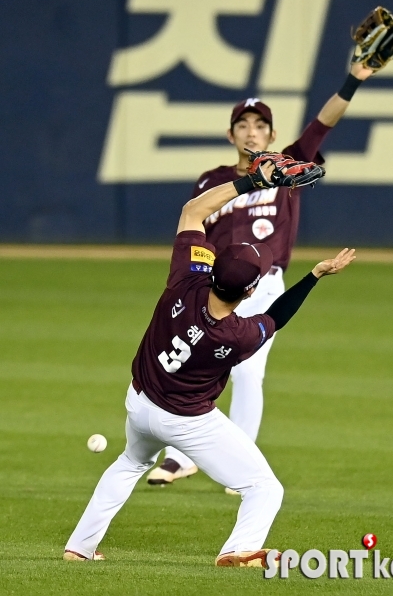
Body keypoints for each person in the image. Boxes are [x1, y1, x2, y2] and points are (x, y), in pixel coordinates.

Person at [63, 161, 355, 566]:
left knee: (130, 461)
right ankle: (238, 549)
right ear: (251, 289)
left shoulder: (187, 278)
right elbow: (276, 317)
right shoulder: (234, 335)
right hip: (186, 420)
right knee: (264, 487)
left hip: (141, 403)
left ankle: (79, 547)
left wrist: (254, 180)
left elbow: (193, 211)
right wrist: (315, 275)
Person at [147, 61, 373, 489]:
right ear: (230, 135)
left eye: (260, 125)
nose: (252, 132)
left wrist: (353, 80)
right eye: (243, 125)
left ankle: (239, 468)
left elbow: (322, 124)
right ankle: (180, 454)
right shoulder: (212, 181)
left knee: (248, 371)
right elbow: (195, 229)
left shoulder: (287, 166)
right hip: (215, 284)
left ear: (271, 135)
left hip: (266, 282)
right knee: (195, 365)